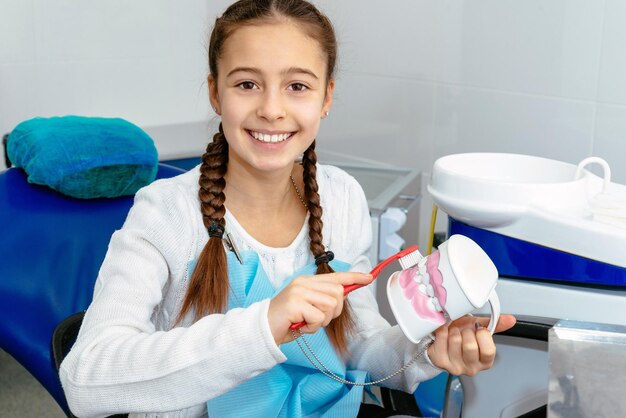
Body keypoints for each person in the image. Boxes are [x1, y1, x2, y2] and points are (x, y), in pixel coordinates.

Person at [59, 1, 516, 417]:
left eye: (297, 85)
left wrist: (426, 351)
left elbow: (359, 347)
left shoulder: (341, 198)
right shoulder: (165, 212)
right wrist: (265, 326)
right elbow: (85, 379)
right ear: (216, 93)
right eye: (247, 84)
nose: (272, 109)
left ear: (327, 98)